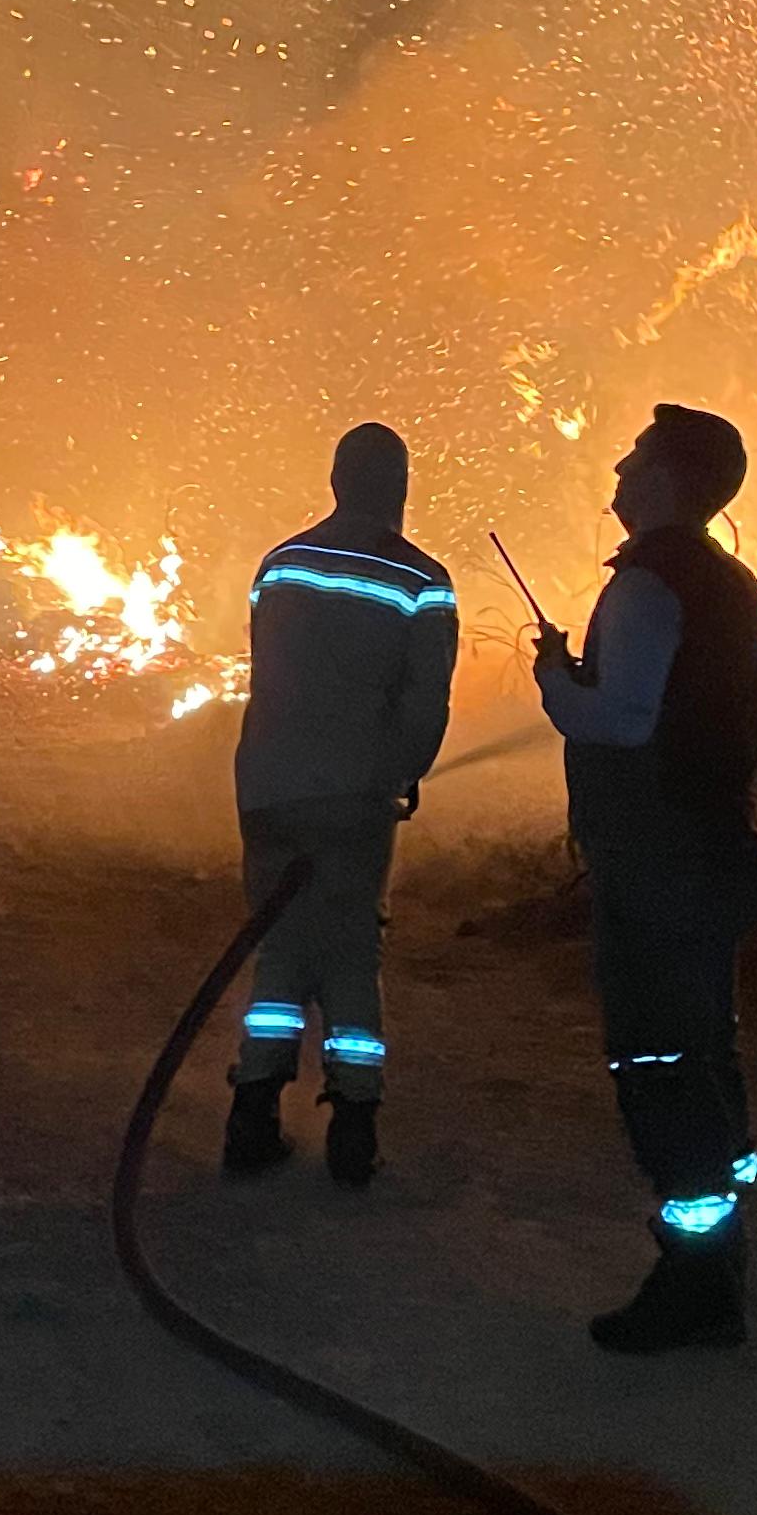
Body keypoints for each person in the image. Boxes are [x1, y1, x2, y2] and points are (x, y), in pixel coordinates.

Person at [535, 401, 757, 1351]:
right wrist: (710, 794)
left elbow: (622, 719)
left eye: (635, 455)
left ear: (668, 478)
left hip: (657, 871)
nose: (617, 468)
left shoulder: (646, 584)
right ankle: (724, 1240)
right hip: (719, 857)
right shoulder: (736, 586)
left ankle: (696, 1283)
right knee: (706, 1049)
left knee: (658, 1063)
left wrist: (557, 684)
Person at [224, 422, 459, 1189]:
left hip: (268, 789)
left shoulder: (281, 564)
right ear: (401, 488)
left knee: (281, 947)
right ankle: (354, 1121)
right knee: (351, 954)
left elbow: (268, 670)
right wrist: (398, 775)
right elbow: (425, 706)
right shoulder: (423, 581)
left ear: (334, 482)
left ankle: (252, 1110)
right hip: (354, 799)